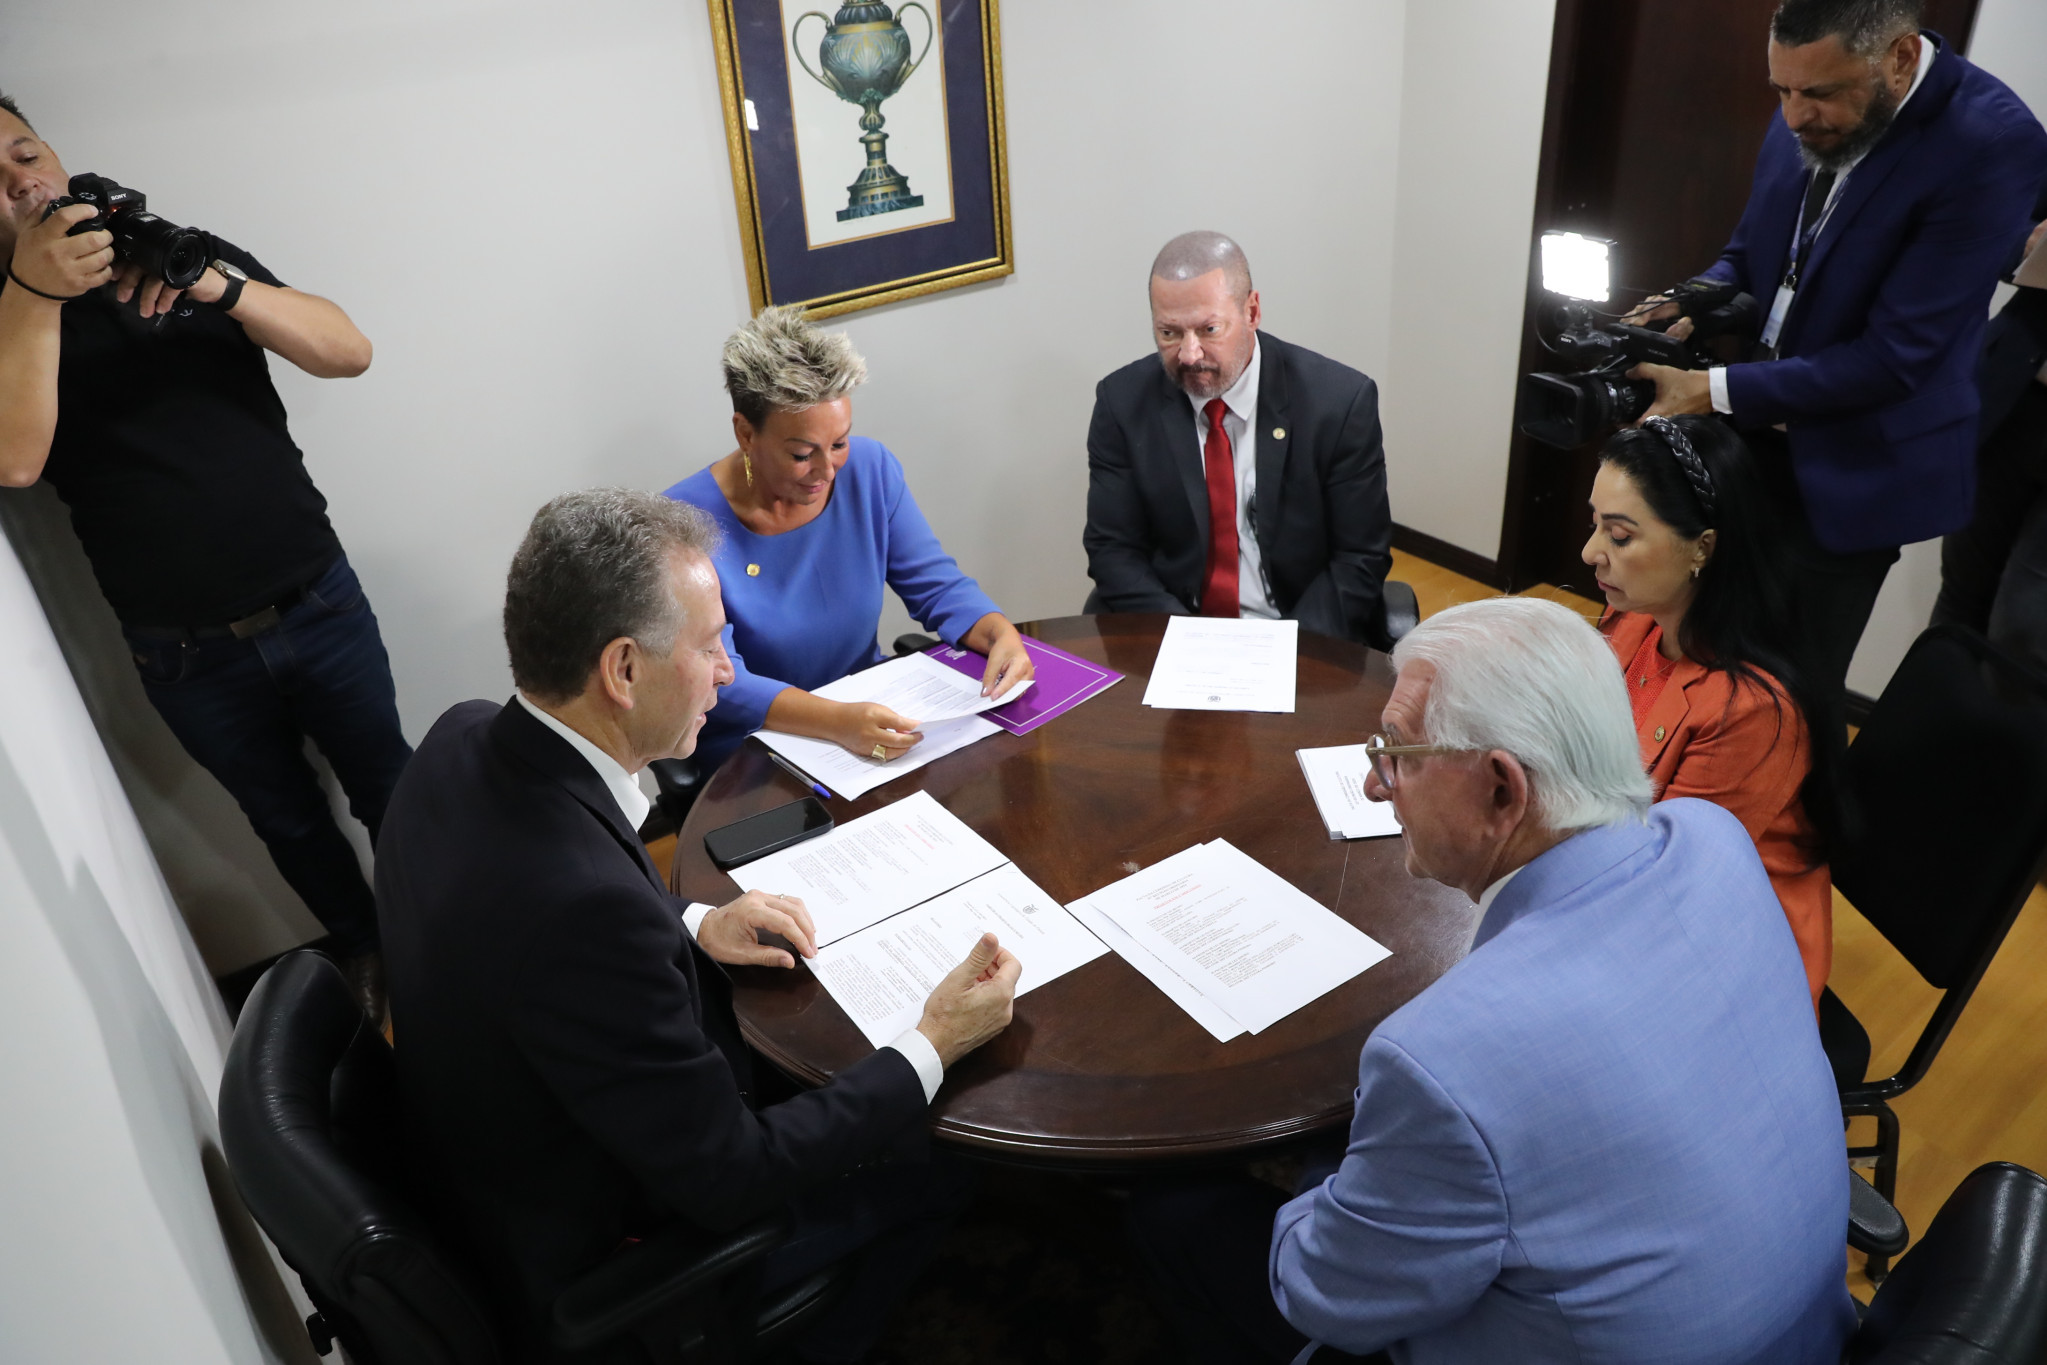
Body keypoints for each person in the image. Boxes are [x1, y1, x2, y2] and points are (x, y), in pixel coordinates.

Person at [376, 488, 1021, 1364]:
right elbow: (735, 1177)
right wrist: (935, 1042)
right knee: (939, 1167)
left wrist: (692, 920)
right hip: (606, 1241)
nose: (726, 671)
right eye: (711, 643)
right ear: (623, 670)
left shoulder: (460, 738)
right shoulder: (582, 913)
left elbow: (546, 912)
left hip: (484, 1145)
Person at [1127, 596, 1855, 1364]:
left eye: (1396, 754)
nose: (1376, 785)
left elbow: (1323, 1297)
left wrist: (1329, 1169)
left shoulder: (1444, 1061)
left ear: (1501, 790)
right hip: (1806, 1330)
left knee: (1173, 1212)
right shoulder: (1714, 839)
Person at [0, 93, 408, 1017]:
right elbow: (14, 459)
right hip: (184, 653)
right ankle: (368, 955)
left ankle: (450, 934)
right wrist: (34, 292)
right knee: (290, 824)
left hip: (319, 600)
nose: (22, 181)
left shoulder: (174, 246)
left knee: (396, 785)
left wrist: (217, 285)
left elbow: (347, 350)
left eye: (27, 153)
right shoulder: (8, 324)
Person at [1627, 0, 2047, 707]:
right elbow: (1755, 256)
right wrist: (1690, 300)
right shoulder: (1809, 88)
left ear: (1900, 59)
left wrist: (1709, 390)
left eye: (1818, 93)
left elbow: (1897, 355)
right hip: (1742, 447)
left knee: (1786, 698)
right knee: (1697, 664)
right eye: (1781, 91)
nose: (1793, 116)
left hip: (1855, 467)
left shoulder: (1991, 142)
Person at [665, 305, 1033, 771]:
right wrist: (837, 722)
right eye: (802, 454)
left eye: (839, 443)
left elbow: (937, 586)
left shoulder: (870, 470)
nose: (827, 471)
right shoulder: (682, 525)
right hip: (755, 751)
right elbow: (723, 681)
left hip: (869, 722)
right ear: (745, 433)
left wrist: (999, 632)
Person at [1583, 415, 1833, 1005]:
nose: (1590, 552)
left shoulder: (1753, 710)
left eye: (1619, 537)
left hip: (1716, 951)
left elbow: (1664, 888)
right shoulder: (1637, 615)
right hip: (1612, 875)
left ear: (1703, 546)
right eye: (1593, 524)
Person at [1083, 231, 1394, 646]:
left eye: (1209, 329)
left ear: (1252, 311)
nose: (1189, 354)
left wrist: (1283, 653)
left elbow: (1360, 559)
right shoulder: (1121, 404)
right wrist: (1191, 644)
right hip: (1178, 634)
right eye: (1169, 333)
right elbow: (1112, 551)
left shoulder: (1337, 404)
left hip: (1299, 638)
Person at [1934, 208, 2047, 674]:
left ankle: (1997, 747)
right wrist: (2027, 244)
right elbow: (1991, 231)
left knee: (2027, 621)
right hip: (2011, 402)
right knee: (1963, 597)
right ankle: (1924, 738)